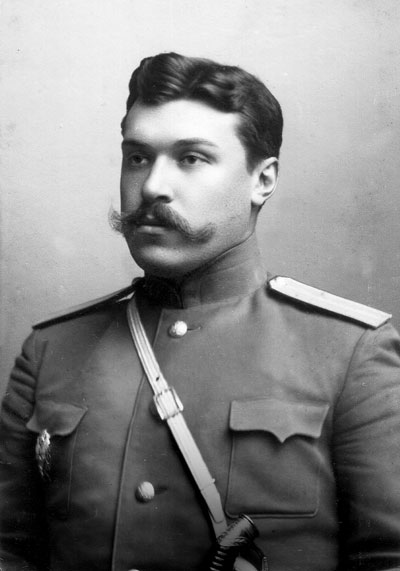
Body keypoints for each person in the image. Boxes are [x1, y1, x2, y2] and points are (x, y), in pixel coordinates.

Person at [1, 52, 400, 571]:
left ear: (263, 179)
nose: (151, 187)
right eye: (137, 157)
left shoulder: (349, 352)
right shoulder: (51, 350)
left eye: (191, 158)